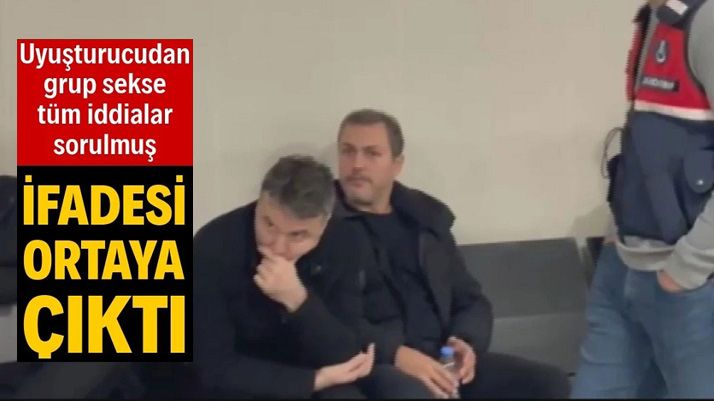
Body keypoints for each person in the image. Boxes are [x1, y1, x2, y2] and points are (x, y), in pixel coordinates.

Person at [334, 109, 571, 399]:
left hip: (442, 358)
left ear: (397, 165)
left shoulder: (425, 219)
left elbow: (470, 299)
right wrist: (396, 353)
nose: (357, 164)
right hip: (378, 363)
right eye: (348, 151)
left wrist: (465, 342)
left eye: (372, 153)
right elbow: (326, 318)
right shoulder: (322, 225)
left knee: (549, 384)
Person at [573, 0, 714, 398]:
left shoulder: (707, 20)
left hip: (689, 281)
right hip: (623, 263)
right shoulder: (655, 18)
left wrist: (688, 267)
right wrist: (617, 227)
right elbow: (648, 148)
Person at [193, 155, 375, 399]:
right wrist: (314, 380)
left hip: (314, 367)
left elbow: (345, 353)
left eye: (297, 235)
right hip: (242, 382)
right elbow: (214, 367)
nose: (278, 246)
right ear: (260, 202)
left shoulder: (345, 241)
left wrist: (298, 300)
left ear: (324, 224)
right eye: (268, 224)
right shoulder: (213, 245)